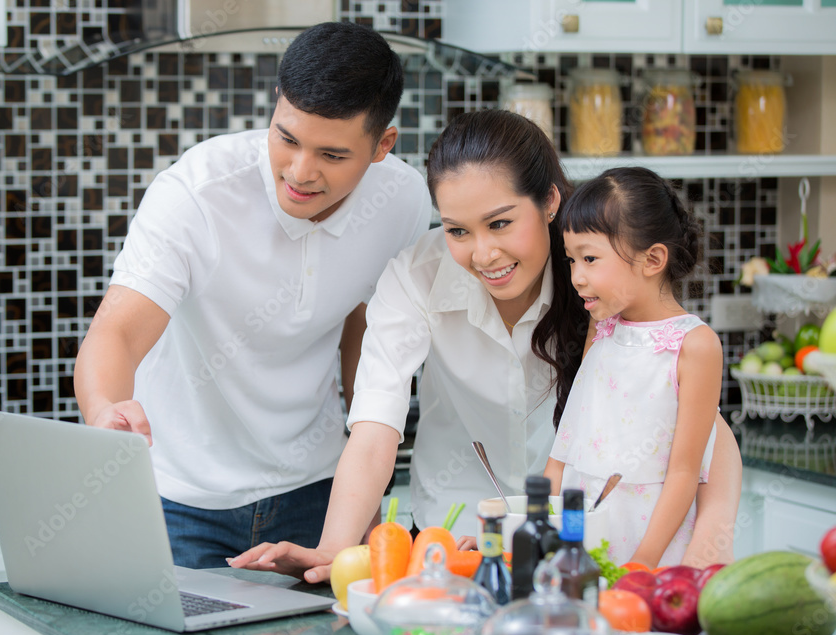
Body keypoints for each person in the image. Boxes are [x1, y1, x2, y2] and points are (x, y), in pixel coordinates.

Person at [230, 110, 741, 583]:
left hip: (584, 549)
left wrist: (702, 550)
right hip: (449, 542)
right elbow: (374, 428)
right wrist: (335, 549)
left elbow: (688, 422)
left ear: (549, 201)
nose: (483, 253)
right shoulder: (416, 277)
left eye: (500, 223)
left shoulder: (598, 279)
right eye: (457, 230)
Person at [73, 22, 432, 568]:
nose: (300, 172)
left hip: (317, 490)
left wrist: (364, 487)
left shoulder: (403, 201)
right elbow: (116, 332)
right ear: (275, 106)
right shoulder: (196, 194)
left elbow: (365, 332)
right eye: (286, 138)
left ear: (383, 144)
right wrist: (103, 412)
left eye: (332, 156)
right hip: (178, 501)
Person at [543, 167, 723, 569]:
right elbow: (565, 446)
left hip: (649, 539)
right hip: (579, 525)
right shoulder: (602, 327)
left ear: (653, 259)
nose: (577, 277)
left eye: (590, 258)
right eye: (572, 260)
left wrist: (643, 562)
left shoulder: (695, 345)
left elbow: (684, 474)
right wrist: (531, 525)